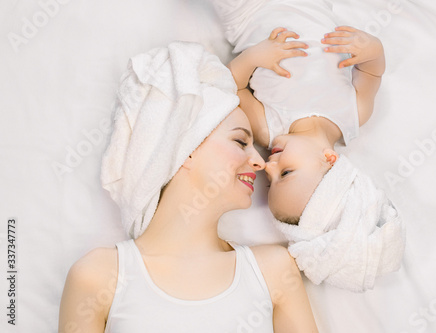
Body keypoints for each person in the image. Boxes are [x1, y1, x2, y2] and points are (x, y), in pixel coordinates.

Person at [58, 42, 318, 332]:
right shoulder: (97, 276)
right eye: (240, 142)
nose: (259, 161)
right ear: (186, 148)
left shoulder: (273, 270)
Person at [213, 0, 405, 292]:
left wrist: (253, 57)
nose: (268, 165)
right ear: (329, 160)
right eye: (286, 173)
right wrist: (372, 49)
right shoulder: (355, 114)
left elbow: (231, 85)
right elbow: (371, 72)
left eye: (270, 180)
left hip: (250, 11)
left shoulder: (268, 126)